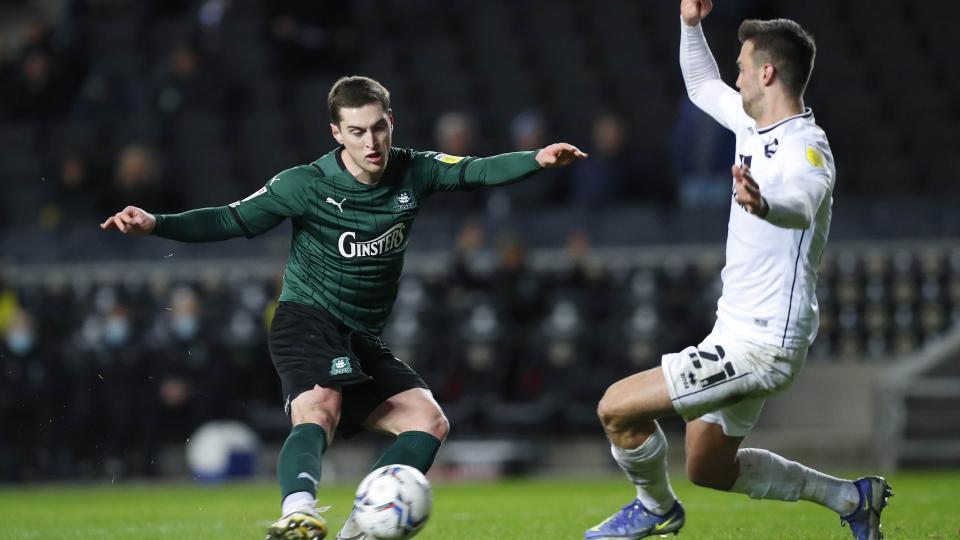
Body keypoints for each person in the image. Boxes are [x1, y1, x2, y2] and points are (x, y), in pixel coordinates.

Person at [101, 75, 586, 540]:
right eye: (357, 131)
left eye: (378, 128)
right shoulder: (305, 184)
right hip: (305, 320)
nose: (371, 142)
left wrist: (535, 160)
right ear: (337, 133)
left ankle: (360, 529)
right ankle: (298, 514)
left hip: (361, 337)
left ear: (391, 122)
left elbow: (474, 170)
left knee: (428, 421)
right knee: (321, 405)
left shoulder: (413, 170)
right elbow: (231, 219)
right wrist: (155, 223)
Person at [585, 2, 890, 540]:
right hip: (736, 331)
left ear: (767, 73)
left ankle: (656, 509)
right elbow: (701, 84)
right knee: (708, 467)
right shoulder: (752, 124)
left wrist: (766, 203)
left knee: (617, 410)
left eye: (743, 65)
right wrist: (688, 23)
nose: (737, 74)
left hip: (763, 345)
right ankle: (851, 497)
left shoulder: (807, 146)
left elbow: (804, 198)